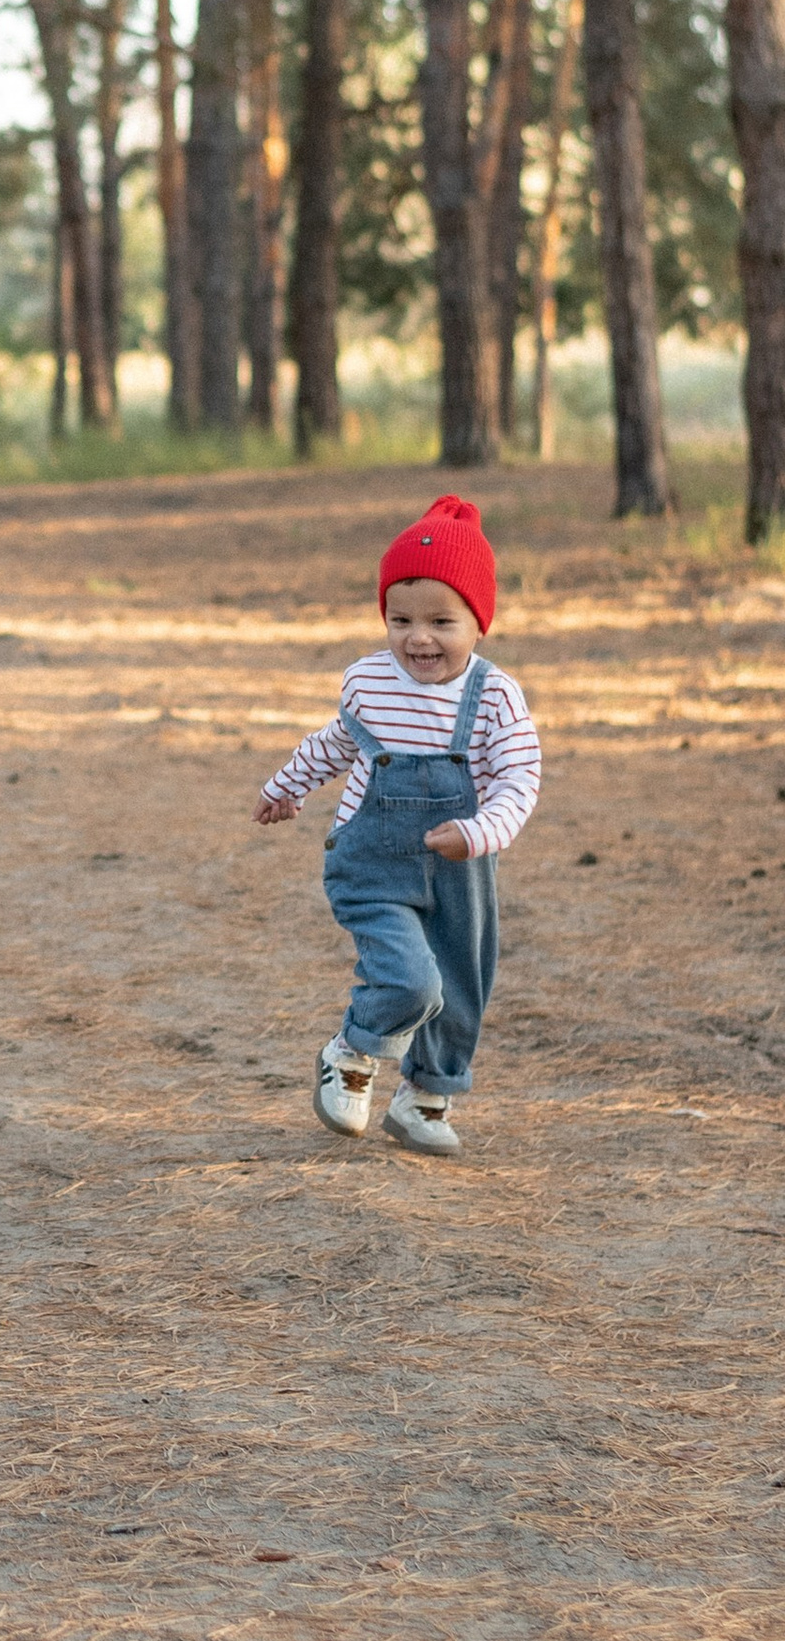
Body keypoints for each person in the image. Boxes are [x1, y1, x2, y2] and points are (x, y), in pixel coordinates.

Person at [255, 493, 542, 1157]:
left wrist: (480, 831)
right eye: (400, 617)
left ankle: (423, 1098)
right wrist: (284, 788)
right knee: (413, 979)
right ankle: (352, 1051)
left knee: (461, 988)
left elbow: (519, 779)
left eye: (442, 620)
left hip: (460, 866)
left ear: (479, 622)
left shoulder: (496, 697)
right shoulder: (367, 682)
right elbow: (333, 743)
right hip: (374, 859)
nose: (418, 637)